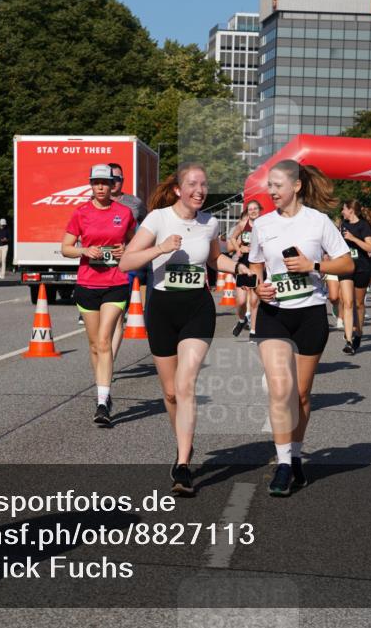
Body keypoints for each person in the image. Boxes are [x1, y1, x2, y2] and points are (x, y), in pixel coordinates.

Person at [119, 163, 246, 495]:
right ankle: (184, 442)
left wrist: (239, 268)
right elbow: (126, 262)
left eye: (203, 185)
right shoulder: (158, 219)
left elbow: (215, 260)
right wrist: (160, 249)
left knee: (186, 383)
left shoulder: (209, 222)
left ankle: (183, 463)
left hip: (197, 309)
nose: (199, 190)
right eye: (192, 184)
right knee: (171, 393)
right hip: (162, 309)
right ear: (178, 189)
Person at [247, 159, 353, 496]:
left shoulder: (318, 222)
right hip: (273, 314)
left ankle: (294, 456)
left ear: (295, 186)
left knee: (302, 395)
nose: (271, 191)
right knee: (281, 390)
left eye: (277, 185)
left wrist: (313, 265)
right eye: (269, 185)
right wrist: (257, 287)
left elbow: (346, 263)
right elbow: (254, 266)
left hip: (309, 314)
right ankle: (282, 465)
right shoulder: (262, 224)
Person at [61, 164, 137, 427]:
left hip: (116, 283)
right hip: (87, 284)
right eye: (96, 182)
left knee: (104, 341)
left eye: (105, 182)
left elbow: (135, 242)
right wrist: (84, 250)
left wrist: (125, 250)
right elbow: (65, 248)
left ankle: (102, 403)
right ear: (91, 185)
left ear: (113, 184)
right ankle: (103, 392)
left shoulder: (124, 213)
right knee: (94, 345)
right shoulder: (81, 213)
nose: (101, 187)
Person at [109, 162, 148, 356]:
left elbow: (147, 228)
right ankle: (103, 354)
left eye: (118, 179)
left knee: (117, 314)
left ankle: (109, 359)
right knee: (100, 321)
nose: (114, 182)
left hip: (125, 265)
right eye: (110, 178)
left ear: (123, 180)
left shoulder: (134, 203)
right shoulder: (93, 203)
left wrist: (134, 247)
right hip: (99, 267)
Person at [339, 199, 371, 354]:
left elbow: (370, 248)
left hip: (361, 268)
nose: (342, 212)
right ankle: (348, 340)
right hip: (346, 268)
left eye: (344, 209)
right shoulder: (342, 225)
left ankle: (358, 334)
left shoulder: (363, 226)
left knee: (359, 304)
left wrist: (353, 238)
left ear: (351, 210)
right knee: (347, 303)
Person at [227, 201, 264, 336]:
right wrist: (239, 249)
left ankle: (253, 331)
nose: (253, 211)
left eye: (255, 208)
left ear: (260, 210)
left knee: (254, 300)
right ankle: (242, 320)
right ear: (247, 212)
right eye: (250, 209)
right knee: (242, 300)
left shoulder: (265, 225)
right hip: (244, 264)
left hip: (258, 264)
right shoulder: (243, 224)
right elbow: (232, 238)